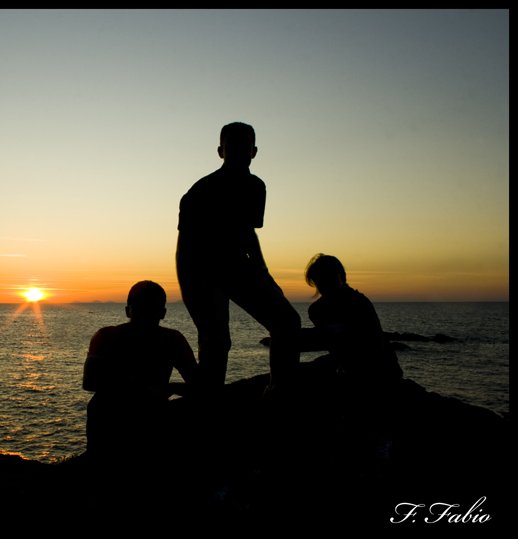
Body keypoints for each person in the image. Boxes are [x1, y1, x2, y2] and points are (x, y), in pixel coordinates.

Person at [176, 122, 301, 393]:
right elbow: (184, 247)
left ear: (254, 151)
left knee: (288, 322)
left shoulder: (256, 187)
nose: (239, 151)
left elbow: (248, 233)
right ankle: (209, 404)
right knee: (216, 342)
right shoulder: (201, 191)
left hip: (240, 269)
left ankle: (279, 394)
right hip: (204, 275)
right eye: (231, 146)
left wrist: (264, 273)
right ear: (220, 151)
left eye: (245, 145)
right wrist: (189, 289)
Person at [82, 281, 199, 460]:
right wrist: (130, 385)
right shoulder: (105, 336)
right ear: (128, 311)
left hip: (150, 417)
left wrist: (171, 388)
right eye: (140, 307)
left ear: (162, 313)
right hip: (110, 417)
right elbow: (89, 381)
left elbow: (200, 384)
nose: (145, 314)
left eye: (151, 308)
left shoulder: (172, 340)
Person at [300, 253, 403, 386]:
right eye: (319, 281)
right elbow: (332, 343)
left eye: (328, 278)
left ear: (340, 276)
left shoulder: (359, 303)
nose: (324, 285)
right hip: (347, 364)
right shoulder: (317, 310)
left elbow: (376, 346)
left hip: (378, 370)